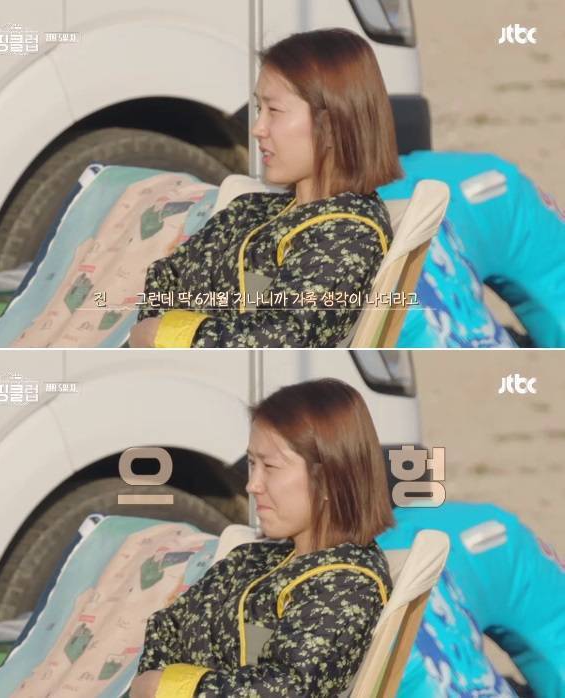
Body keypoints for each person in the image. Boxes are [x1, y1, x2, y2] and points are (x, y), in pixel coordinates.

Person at [129, 29, 402, 348]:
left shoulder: (349, 235)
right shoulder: (252, 207)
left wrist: (167, 334)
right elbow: (168, 274)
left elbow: (287, 334)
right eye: (260, 109)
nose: (257, 129)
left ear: (330, 126)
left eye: (274, 111)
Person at [129, 378, 394, 697]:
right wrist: (154, 684)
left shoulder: (348, 585)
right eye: (252, 464)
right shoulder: (255, 557)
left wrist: (171, 687)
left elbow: (291, 687)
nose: (252, 485)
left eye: (269, 466)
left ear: (327, 478)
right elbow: (168, 625)